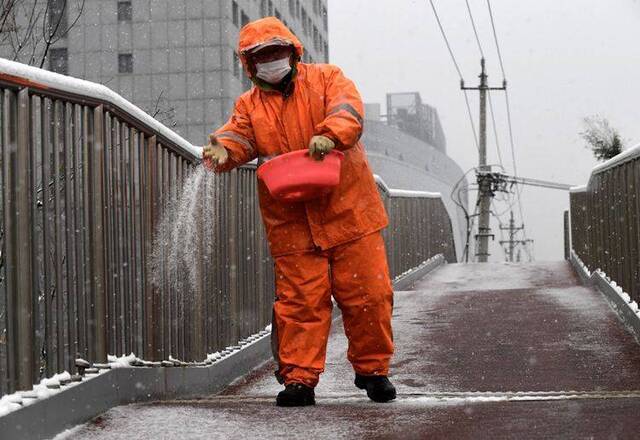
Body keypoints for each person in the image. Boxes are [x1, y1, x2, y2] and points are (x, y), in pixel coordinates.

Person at [203, 17, 395, 407]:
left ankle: (373, 372)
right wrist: (223, 150)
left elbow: (347, 111)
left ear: (292, 51)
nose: (271, 60)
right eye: (262, 56)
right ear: (249, 64)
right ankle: (299, 380)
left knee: (370, 296)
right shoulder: (249, 106)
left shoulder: (326, 79)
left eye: (277, 52)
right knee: (300, 303)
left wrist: (330, 134)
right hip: (291, 223)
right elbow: (236, 136)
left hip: (350, 213)